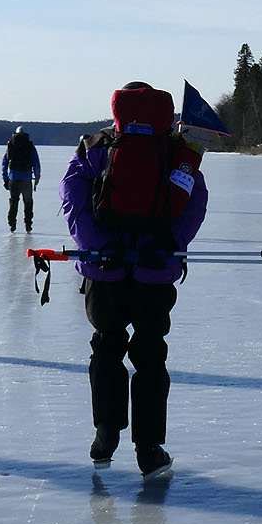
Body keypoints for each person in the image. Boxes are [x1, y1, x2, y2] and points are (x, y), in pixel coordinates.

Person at [61, 82, 209, 479]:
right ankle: (149, 448)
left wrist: (97, 246)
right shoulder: (178, 153)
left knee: (106, 347)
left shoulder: (98, 146)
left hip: (104, 270)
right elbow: (194, 203)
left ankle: (105, 434)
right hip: (154, 270)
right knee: (149, 355)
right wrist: (169, 244)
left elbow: (73, 196)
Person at [2, 126, 42, 232]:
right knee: (28, 202)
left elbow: (5, 162)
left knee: (13, 202)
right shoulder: (29, 146)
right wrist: (37, 177)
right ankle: (28, 224)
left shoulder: (11, 144)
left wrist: (5, 178)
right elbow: (36, 162)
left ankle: (12, 224)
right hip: (26, 179)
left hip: (13, 179)